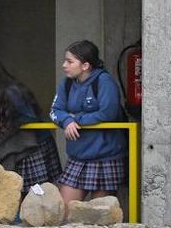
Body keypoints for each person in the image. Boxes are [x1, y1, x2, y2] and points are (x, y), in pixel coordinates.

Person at [51, 39, 126, 203]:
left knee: (99, 213)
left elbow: (108, 113)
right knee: (63, 209)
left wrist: (76, 119)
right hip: (77, 156)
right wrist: (66, 121)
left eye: (70, 61)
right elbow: (55, 110)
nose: (64, 65)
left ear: (85, 65)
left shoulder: (104, 81)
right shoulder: (66, 84)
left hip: (105, 156)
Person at [0, 54, 57, 188]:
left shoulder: (12, 92)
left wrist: (1, 120)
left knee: (36, 191)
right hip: (15, 146)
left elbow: (30, 117)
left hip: (34, 146)